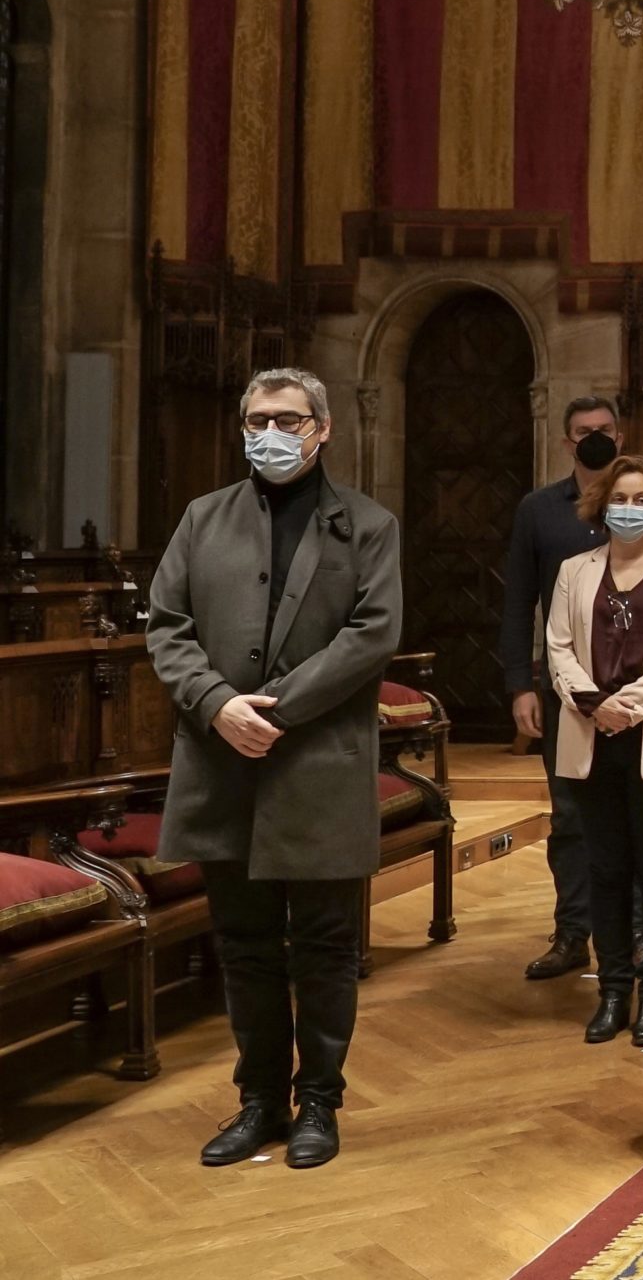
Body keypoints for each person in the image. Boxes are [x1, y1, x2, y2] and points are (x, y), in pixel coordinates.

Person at [145, 368, 401, 1169]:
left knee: (324, 946)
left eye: (288, 420)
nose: (271, 434)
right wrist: (218, 703)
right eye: (257, 420)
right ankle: (258, 1100)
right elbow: (167, 626)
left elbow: (373, 633)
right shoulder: (203, 517)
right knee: (246, 945)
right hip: (224, 763)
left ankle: (319, 1101)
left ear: (323, 429)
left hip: (319, 763)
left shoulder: (368, 525)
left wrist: (275, 710)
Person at [502, 396, 643, 983]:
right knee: (570, 818)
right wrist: (520, 684)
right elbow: (519, 603)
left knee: (639, 822)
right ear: (567, 442)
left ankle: (636, 935)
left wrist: (641, 699)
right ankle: (572, 932)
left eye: (604, 429)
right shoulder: (538, 510)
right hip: (570, 699)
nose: (595, 438)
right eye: (584, 432)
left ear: (620, 435)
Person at [545, 456, 643, 1051]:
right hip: (590, 736)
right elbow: (558, 646)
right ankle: (613, 991)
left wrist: (628, 706)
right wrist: (593, 704)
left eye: (642, 499)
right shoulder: (574, 570)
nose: (630, 509)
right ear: (601, 504)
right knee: (605, 869)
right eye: (621, 498)